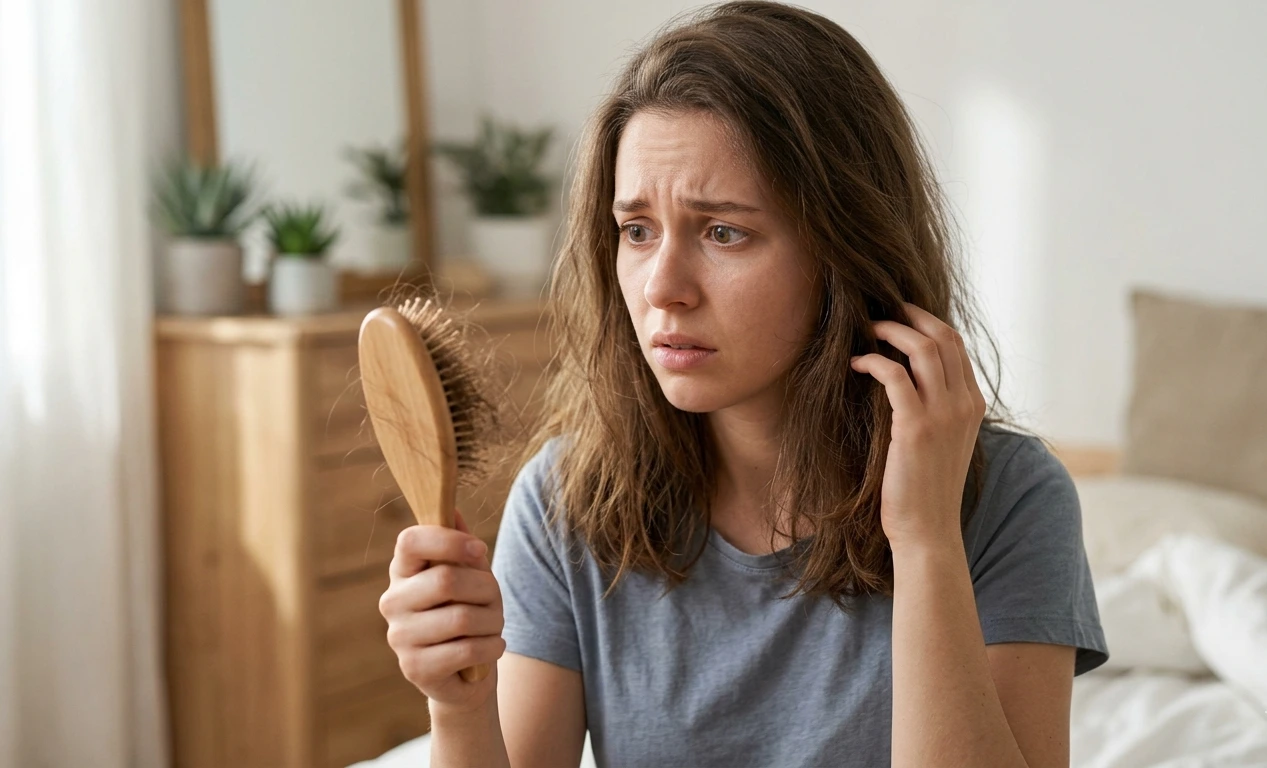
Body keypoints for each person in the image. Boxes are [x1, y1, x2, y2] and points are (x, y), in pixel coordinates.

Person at [377, 2, 1109, 766]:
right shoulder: (567, 503)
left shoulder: (1009, 499)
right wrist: (458, 707)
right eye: (636, 229)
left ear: (846, 250)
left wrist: (924, 541)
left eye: (723, 231)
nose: (662, 287)